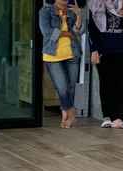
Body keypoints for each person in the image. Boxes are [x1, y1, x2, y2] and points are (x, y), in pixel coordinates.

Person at [89, 0, 123, 129]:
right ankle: (107, 117)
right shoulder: (95, 3)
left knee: (121, 83)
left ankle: (120, 117)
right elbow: (92, 29)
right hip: (103, 49)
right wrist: (94, 49)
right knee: (105, 83)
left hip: (121, 48)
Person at [39, 0, 83, 129]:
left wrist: (79, 15)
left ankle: (65, 114)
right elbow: (46, 32)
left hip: (72, 53)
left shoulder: (72, 12)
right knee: (62, 88)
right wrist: (68, 33)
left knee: (70, 88)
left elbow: (78, 32)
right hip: (53, 55)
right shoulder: (45, 12)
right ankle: (72, 112)